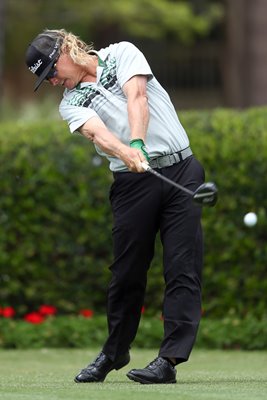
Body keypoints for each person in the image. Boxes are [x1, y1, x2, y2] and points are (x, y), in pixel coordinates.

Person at [25, 29, 205, 385]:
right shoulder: (70, 103)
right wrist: (127, 153)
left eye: (51, 72)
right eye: (46, 79)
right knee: (126, 274)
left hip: (181, 170)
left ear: (66, 52)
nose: (52, 82)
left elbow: (137, 96)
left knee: (182, 268)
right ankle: (114, 351)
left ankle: (168, 360)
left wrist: (137, 141)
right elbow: (98, 135)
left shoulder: (122, 53)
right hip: (132, 184)